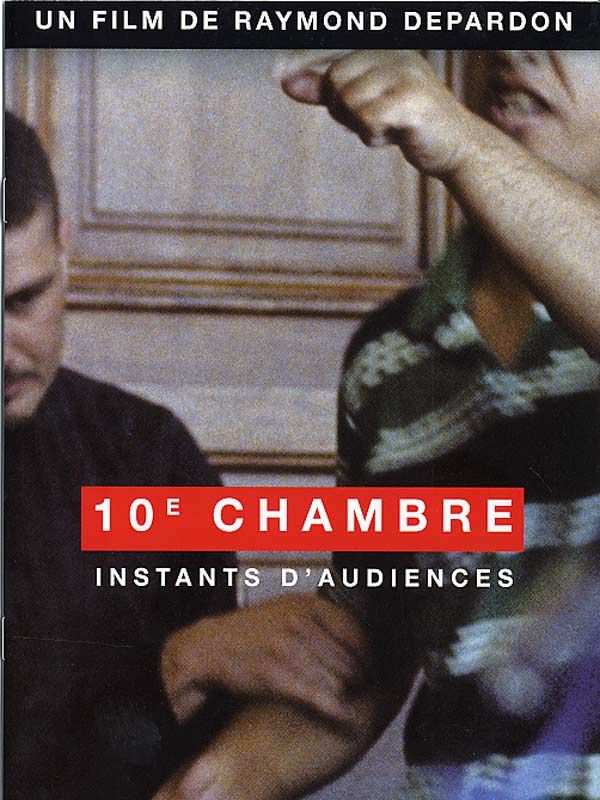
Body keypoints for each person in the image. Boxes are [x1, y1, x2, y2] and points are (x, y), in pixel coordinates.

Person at [153, 50, 600, 800]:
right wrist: (205, 787)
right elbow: (369, 658)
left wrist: (459, 142)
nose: (519, 39)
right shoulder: (390, 358)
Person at [3, 110, 240, 800]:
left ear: (64, 251)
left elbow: (207, 751)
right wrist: (171, 671)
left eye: (24, 301)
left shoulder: (153, 458)